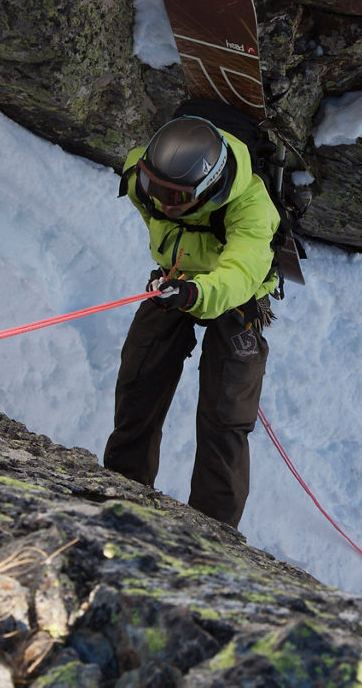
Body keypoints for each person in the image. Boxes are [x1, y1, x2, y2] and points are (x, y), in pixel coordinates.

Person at [104, 102, 279, 529]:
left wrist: (195, 292)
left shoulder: (253, 208)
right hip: (173, 281)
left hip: (234, 300)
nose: (161, 203)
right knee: (138, 385)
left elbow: (240, 273)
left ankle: (212, 535)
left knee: (225, 421)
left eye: (176, 197)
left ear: (211, 188)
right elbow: (156, 199)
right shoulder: (141, 181)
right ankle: (122, 495)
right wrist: (177, 284)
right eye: (153, 187)